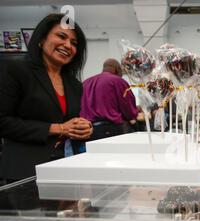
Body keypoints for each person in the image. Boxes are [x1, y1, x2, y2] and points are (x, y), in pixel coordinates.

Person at [0, 13, 92, 183]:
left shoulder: (74, 84)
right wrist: (58, 128)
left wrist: (83, 129)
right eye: (61, 36)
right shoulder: (17, 71)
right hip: (24, 171)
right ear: (41, 39)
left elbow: (70, 123)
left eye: (74, 43)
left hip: (63, 168)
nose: (67, 45)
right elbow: (3, 122)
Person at [80, 59, 138, 140]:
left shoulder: (85, 82)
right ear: (117, 69)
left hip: (87, 130)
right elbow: (128, 106)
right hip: (111, 129)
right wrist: (134, 116)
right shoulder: (117, 81)